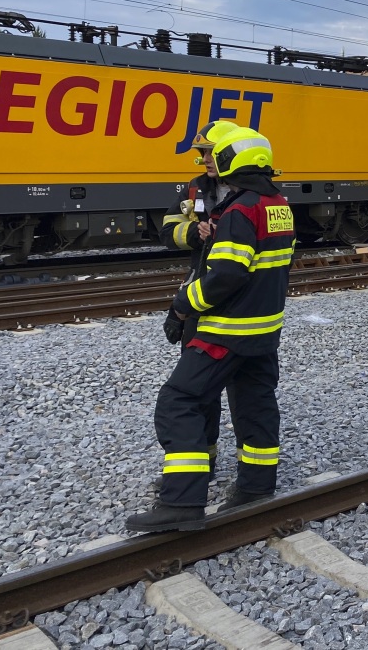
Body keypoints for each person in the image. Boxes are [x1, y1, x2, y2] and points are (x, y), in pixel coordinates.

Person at [127, 126, 295, 533]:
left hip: (226, 330)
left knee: (179, 399)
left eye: (212, 154)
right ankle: (256, 487)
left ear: (229, 160)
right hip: (263, 330)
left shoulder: (239, 211)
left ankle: (182, 501)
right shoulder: (278, 203)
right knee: (254, 403)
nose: (208, 161)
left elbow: (224, 277)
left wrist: (182, 307)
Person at [158, 119, 239, 482]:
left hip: (232, 302)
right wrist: (194, 230)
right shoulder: (195, 189)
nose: (205, 159)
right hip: (200, 294)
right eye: (202, 152)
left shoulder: (247, 192)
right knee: (198, 392)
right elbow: (167, 230)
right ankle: (203, 460)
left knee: (240, 393)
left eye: (209, 152)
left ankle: (248, 473)